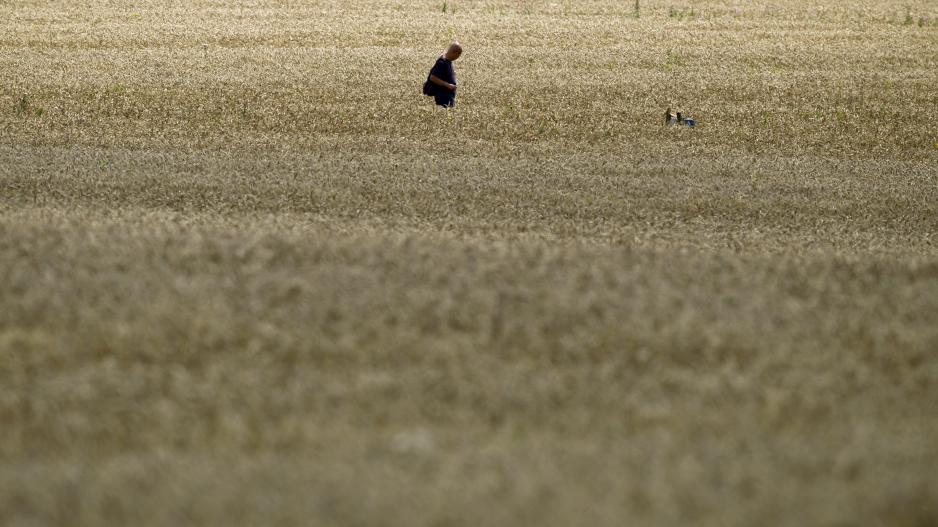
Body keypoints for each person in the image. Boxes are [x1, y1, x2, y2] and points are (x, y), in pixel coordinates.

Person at [423, 42, 462, 108]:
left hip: (446, 94)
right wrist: (448, 85)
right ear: (455, 53)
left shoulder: (447, 60)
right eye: (458, 55)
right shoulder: (442, 63)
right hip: (442, 95)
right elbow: (432, 78)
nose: (457, 57)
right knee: (445, 113)